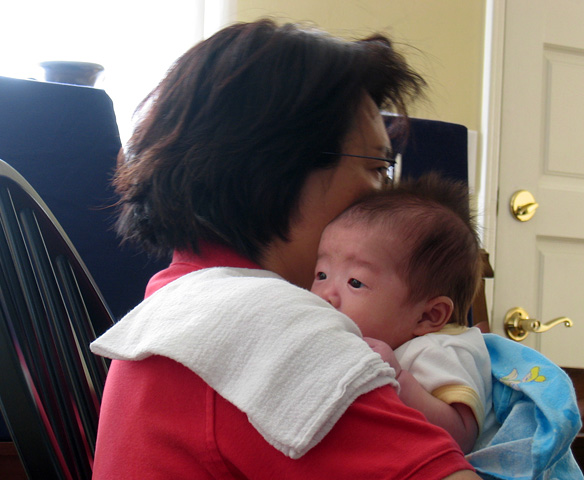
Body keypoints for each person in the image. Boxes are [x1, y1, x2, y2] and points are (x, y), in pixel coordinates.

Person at [90, 19, 480, 479]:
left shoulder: (183, 297)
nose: (383, 200)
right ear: (280, 167)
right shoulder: (271, 329)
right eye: (377, 168)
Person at [310, 174, 497, 455]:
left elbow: (462, 436)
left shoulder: (438, 351)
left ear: (429, 316)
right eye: (321, 274)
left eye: (355, 282)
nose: (326, 294)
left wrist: (397, 377)